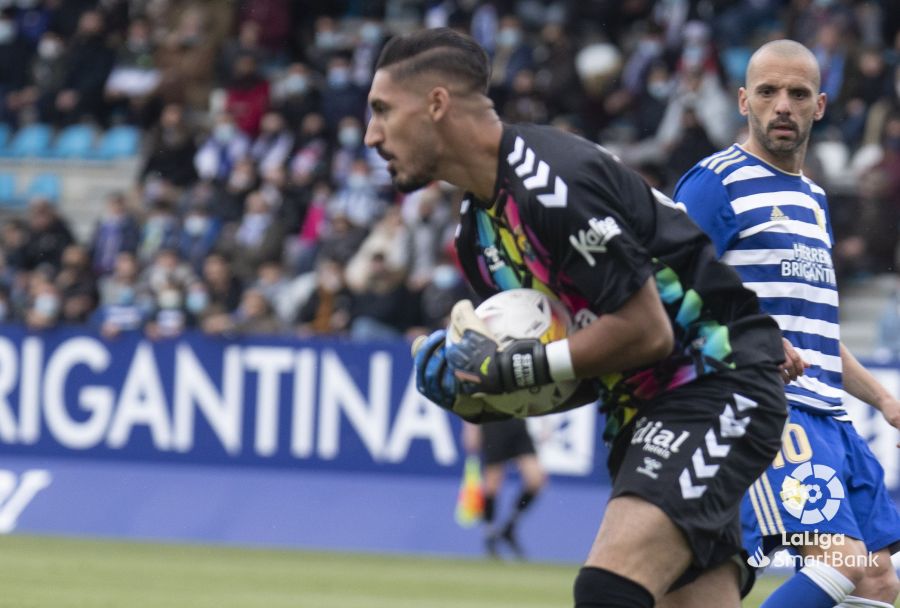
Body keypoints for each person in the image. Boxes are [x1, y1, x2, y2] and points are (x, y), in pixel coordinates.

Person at [365, 28, 791, 608]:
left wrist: (515, 368)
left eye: (383, 111)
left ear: (436, 104)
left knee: (605, 589)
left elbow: (645, 331)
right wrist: (476, 387)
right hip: (640, 416)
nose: (371, 135)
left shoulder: (552, 178)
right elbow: (574, 368)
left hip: (719, 384)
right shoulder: (476, 237)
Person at [673, 39, 900, 608]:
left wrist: (884, 400)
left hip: (833, 418)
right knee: (842, 564)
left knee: (877, 580)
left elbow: (816, 335)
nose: (783, 106)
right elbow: (668, 291)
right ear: (744, 99)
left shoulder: (814, 199)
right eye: (769, 92)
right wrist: (752, 343)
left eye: (798, 94)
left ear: (819, 106)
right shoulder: (714, 182)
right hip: (769, 408)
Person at [462, 420, 546, 559]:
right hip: (493, 420)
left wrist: (545, 423)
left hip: (518, 420)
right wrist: (471, 428)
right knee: (492, 484)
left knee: (536, 480)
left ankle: (510, 527)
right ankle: (490, 533)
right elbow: (469, 398)